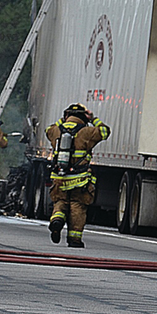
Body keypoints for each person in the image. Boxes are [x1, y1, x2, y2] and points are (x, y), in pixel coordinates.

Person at [45, 103, 111, 247]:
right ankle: (74, 239)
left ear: (67, 115)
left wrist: (62, 120)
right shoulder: (88, 132)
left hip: (59, 177)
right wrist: (93, 119)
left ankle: (57, 220)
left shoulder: (56, 130)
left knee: (60, 202)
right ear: (83, 117)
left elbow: (47, 130)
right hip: (79, 179)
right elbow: (105, 131)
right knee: (77, 206)